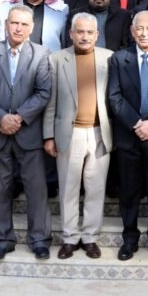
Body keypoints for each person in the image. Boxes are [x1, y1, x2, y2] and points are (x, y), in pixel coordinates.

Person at [0, 5, 53, 260]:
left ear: (31, 28)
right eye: (14, 23)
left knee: (36, 190)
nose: (18, 28)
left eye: (24, 24)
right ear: (6, 24)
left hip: (28, 133)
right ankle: (2, 240)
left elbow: (44, 91)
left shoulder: (41, 54)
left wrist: (18, 117)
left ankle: (39, 239)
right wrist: (1, 117)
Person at [43, 13, 114, 260]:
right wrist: (48, 136)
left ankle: (90, 237)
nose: (84, 36)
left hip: (99, 133)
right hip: (69, 133)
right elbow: (50, 102)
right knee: (68, 189)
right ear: (71, 34)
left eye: (89, 32)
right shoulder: (56, 59)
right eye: (80, 32)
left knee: (96, 187)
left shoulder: (109, 58)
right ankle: (70, 238)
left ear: (97, 35)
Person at [108, 10, 148, 262]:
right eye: (140, 28)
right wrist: (137, 124)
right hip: (129, 136)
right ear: (132, 31)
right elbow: (114, 97)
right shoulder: (118, 59)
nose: (144, 33)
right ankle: (130, 239)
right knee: (129, 192)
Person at [65, 0, 131, 52]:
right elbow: (69, 44)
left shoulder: (123, 17)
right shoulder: (75, 16)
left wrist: (113, 58)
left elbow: (126, 48)